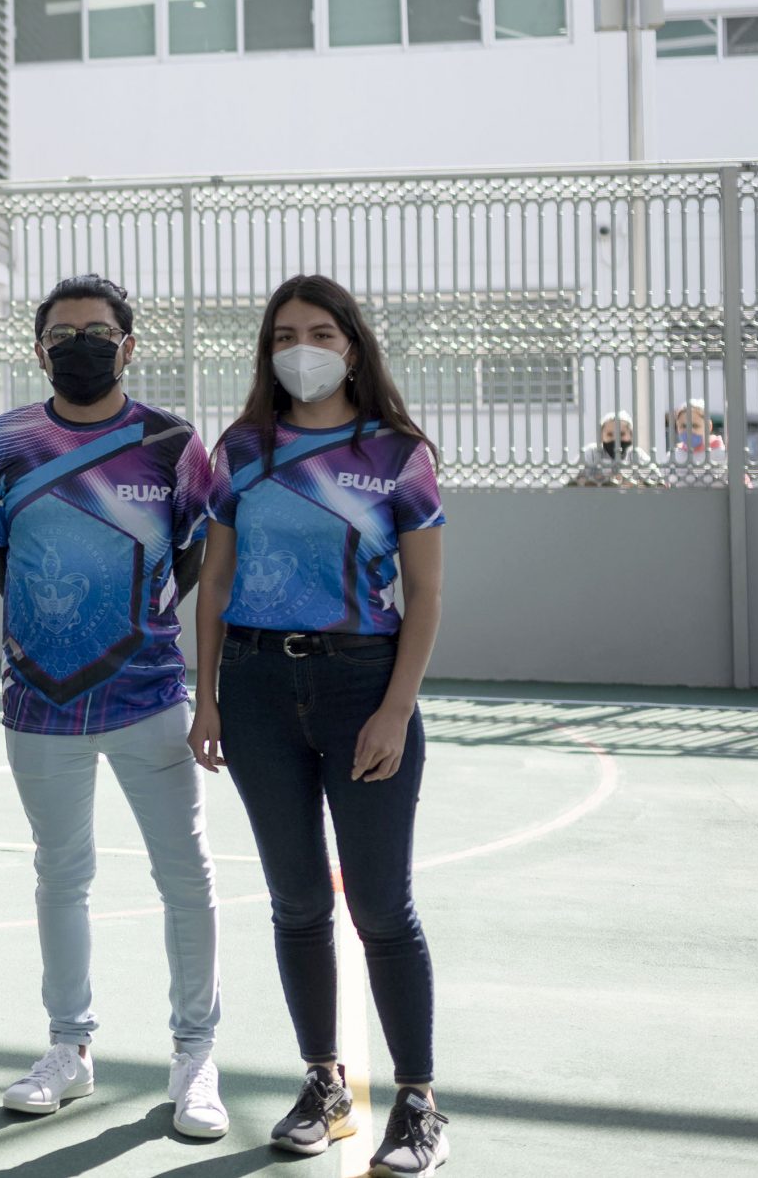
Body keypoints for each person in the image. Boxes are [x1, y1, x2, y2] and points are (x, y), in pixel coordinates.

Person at [187, 274, 451, 1175]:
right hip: (258, 687)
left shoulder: (398, 452)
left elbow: (425, 596)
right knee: (297, 902)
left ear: (353, 345)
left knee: (381, 906)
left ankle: (416, 1101)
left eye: (321, 332)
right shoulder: (240, 449)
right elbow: (215, 581)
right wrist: (210, 695)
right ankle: (325, 1081)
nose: (302, 347)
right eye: (285, 333)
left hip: (362, 683)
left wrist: (396, 706)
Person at [0, 274, 229, 1140]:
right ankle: (69, 1048)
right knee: (60, 874)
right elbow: (5, 558)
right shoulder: (3, 443)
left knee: (184, 875)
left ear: (128, 343)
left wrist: (135, 623)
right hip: (38, 702)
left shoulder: (173, 443)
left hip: (150, 693)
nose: (79, 342)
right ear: (38, 348)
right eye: (62, 331)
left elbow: (194, 558)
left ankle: (195, 1055)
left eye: (97, 329)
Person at [567, 411, 659, 489]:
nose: (616, 439)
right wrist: (597, 481)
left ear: (631, 436)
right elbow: (567, 480)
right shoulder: (591, 452)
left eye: (622, 434)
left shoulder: (636, 454)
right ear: (601, 437)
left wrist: (632, 483)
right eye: (610, 435)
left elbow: (659, 482)